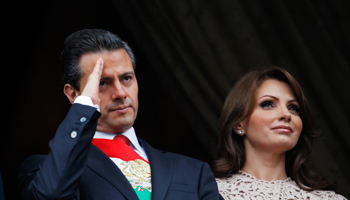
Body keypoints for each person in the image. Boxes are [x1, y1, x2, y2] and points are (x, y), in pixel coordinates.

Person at [18, 29, 222, 200]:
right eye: (102, 83)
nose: (120, 93)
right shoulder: (45, 170)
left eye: (126, 78)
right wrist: (84, 107)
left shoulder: (193, 171)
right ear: (74, 94)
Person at [213, 67, 346, 199]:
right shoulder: (208, 192)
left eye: (293, 108)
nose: (286, 114)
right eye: (268, 104)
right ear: (238, 123)